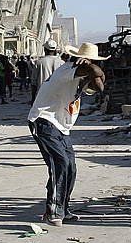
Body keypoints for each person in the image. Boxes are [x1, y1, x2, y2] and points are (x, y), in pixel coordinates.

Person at [27, 42, 106, 226]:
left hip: (61, 127)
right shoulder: (67, 70)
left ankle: (63, 208)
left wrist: (92, 68)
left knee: (70, 166)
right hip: (43, 121)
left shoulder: (81, 75)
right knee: (60, 163)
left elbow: (100, 85)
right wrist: (88, 66)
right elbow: (96, 72)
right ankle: (53, 211)